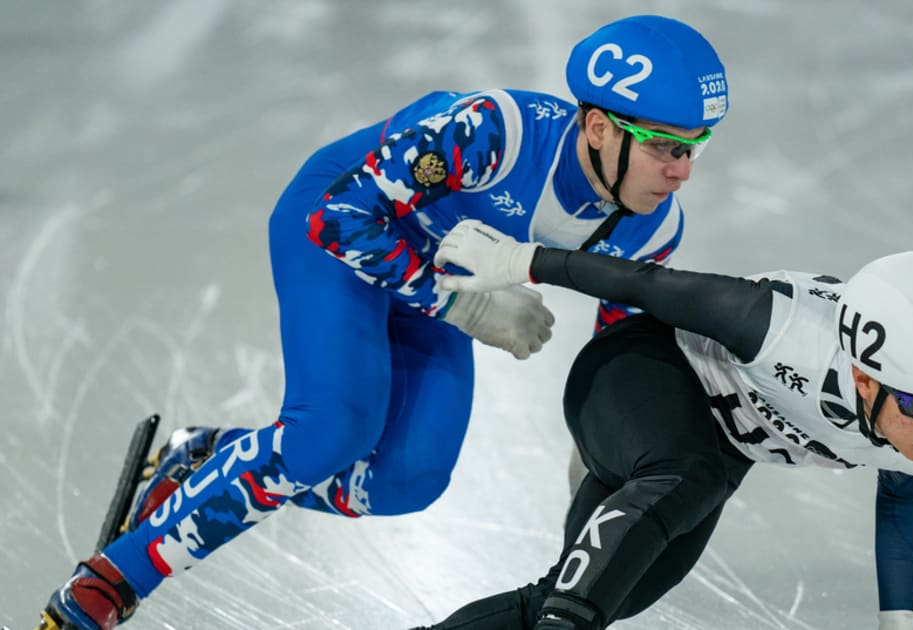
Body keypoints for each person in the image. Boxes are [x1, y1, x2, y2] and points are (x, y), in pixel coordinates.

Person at [38, 14, 730, 630]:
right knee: (328, 435)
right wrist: (463, 305)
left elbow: (619, 361)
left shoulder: (651, 231)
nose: (682, 172)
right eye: (664, 147)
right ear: (601, 128)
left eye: (694, 147)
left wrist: (601, 471)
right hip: (340, 234)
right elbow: (339, 217)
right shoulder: (495, 132)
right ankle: (106, 585)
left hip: (432, 277)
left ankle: (208, 460)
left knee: (406, 482)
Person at [413, 220, 913, 630]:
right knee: (682, 480)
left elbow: (903, 500)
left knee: (602, 594)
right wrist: (519, 261)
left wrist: (896, 622)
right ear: (866, 376)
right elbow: (643, 284)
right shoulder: (783, 328)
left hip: (711, 452)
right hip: (636, 372)